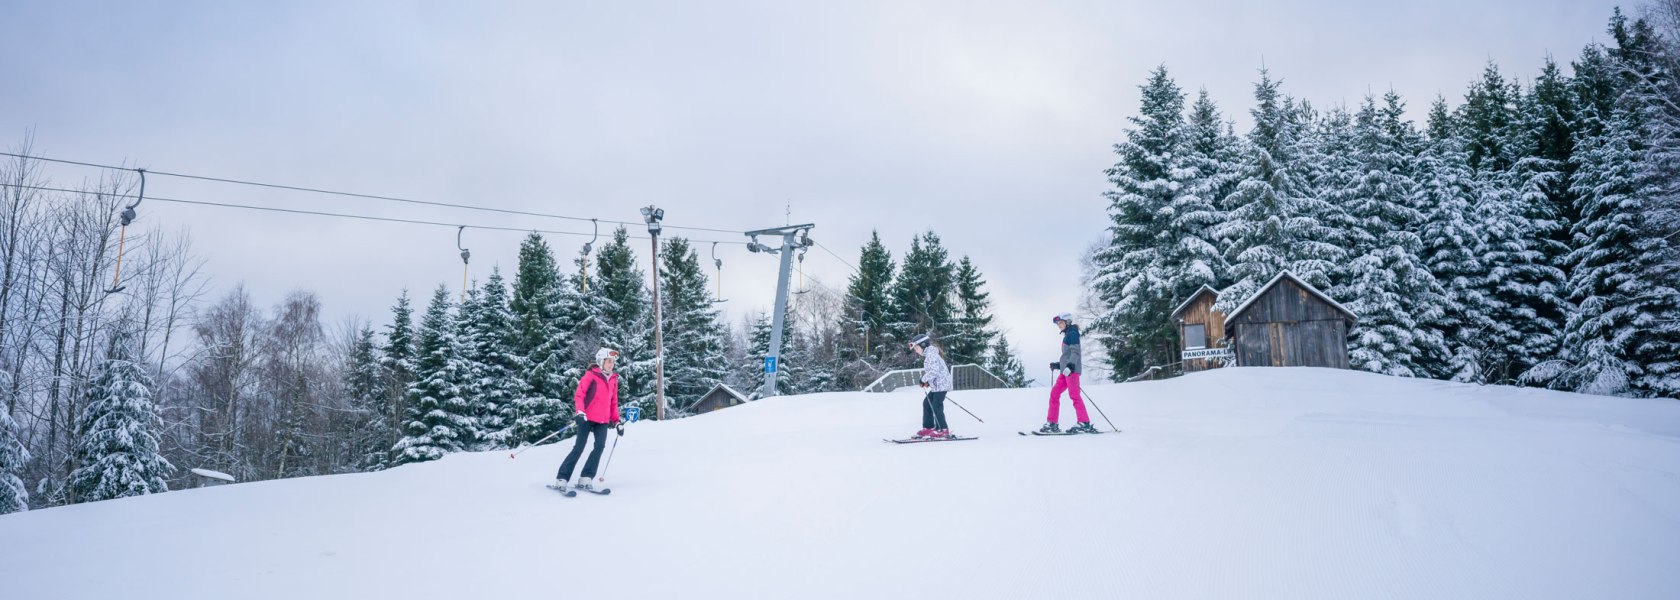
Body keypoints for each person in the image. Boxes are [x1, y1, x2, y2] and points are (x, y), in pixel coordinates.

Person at [555, 348, 624, 492]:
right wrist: (580, 413)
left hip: (603, 421)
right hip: (586, 418)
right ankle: (562, 478)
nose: (611, 364)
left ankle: (586, 477)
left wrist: (617, 421)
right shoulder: (590, 376)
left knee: (599, 447)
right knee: (579, 448)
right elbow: (579, 395)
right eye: (609, 361)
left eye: (613, 362)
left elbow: (613, 403)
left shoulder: (613, 379)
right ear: (601, 361)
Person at [1041, 313, 1096, 434]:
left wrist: (1071, 365)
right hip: (1065, 371)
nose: (1059, 325)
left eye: (1061, 323)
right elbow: (1066, 356)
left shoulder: (1073, 333)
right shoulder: (1067, 335)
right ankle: (1052, 423)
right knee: (1054, 393)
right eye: (1058, 324)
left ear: (1068, 322)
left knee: (1074, 395)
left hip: (1072, 372)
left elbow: (1075, 352)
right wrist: (1058, 365)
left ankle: (1084, 422)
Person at [909, 333, 954, 439]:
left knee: (936, 406)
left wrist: (923, 379)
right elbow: (935, 372)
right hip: (937, 385)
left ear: (923, 345)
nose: (916, 350)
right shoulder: (929, 354)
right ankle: (928, 428)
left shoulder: (931, 354)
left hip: (942, 385)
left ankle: (942, 430)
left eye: (916, 347)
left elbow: (934, 371)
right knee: (927, 403)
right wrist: (928, 382)